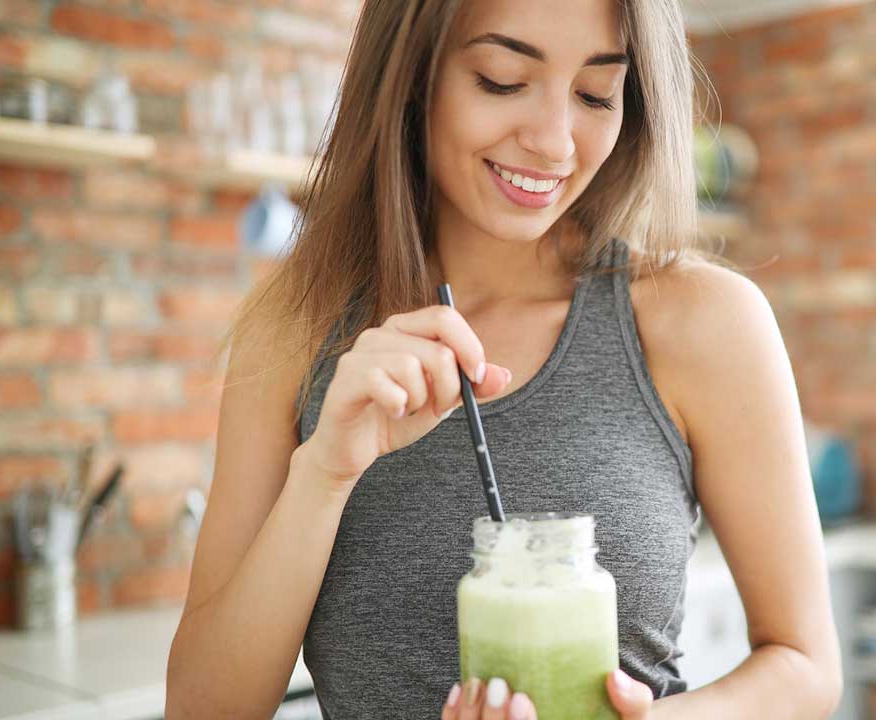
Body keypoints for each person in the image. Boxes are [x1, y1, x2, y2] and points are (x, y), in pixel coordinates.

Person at [165, 0, 840, 717]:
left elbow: (805, 666)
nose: (554, 141)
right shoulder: (296, 328)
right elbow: (202, 710)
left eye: (595, 94)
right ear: (411, 75)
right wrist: (324, 474)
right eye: (501, 79)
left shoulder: (703, 321)